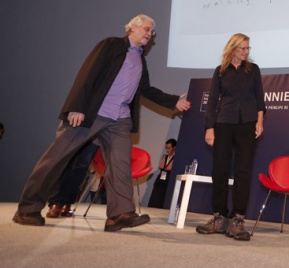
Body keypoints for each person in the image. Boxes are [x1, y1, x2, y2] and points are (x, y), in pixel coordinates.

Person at [13, 14, 191, 232]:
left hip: (120, 119)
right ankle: (27, 209)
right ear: (131, 28)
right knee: (55, 159)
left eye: (151, 32)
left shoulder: (140, 59)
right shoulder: (112, 45)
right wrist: (76, 106)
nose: (149, 34)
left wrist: (174, 101)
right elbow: (87, 74)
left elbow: (145, 89)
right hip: (93, 113)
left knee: (120, 165)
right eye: (146, 29)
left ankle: (119, 215)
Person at [196, 33, 265, 241]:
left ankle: (237, 220)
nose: (246, 52)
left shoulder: (253, 70)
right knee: (220, 170)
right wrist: (210, 128)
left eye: (248, 48)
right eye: (242, 48)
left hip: (248, 124)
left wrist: (260, 121)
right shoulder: (220, 71)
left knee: (243, 170)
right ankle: (219, 217)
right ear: (232, 48)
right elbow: (212, 102)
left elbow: (260, 98)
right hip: (223, 123)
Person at [46, 142, 100, 217]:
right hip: (76, 132)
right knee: (64, 163)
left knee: (81, 167)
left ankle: (68, 202)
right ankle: (55, 202)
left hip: (95, 137)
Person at [148, 138, 177, 208]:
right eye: (166, 148)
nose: (167, 150)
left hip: (169, 178)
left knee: (163, 195)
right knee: (156, 193)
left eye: (169, 148)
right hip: (161, 176)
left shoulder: (176, 158)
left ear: (174, 147)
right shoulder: (165, 156)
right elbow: (162, 167)